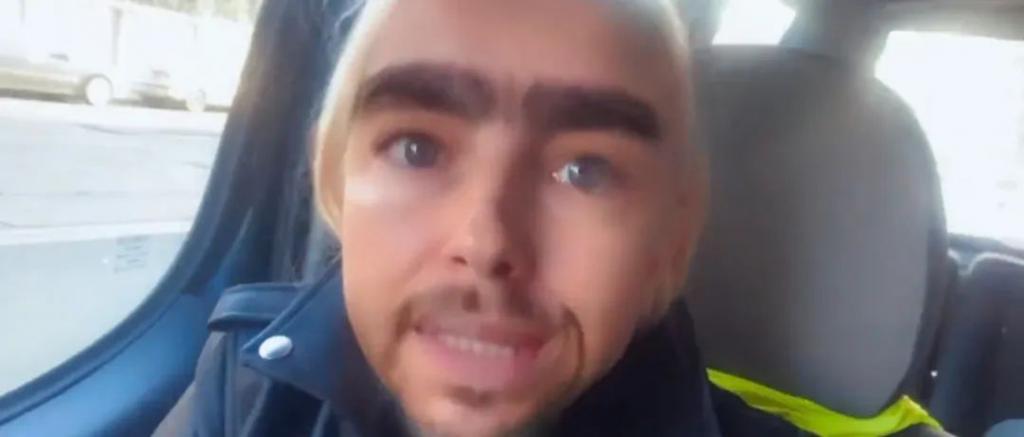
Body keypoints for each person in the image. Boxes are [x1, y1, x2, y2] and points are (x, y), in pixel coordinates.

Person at [155, 0, 797, 435]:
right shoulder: (248, 388)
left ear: (673, 237)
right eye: (417, 149)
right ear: (334, 181)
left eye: (587, 171)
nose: (486, 242)